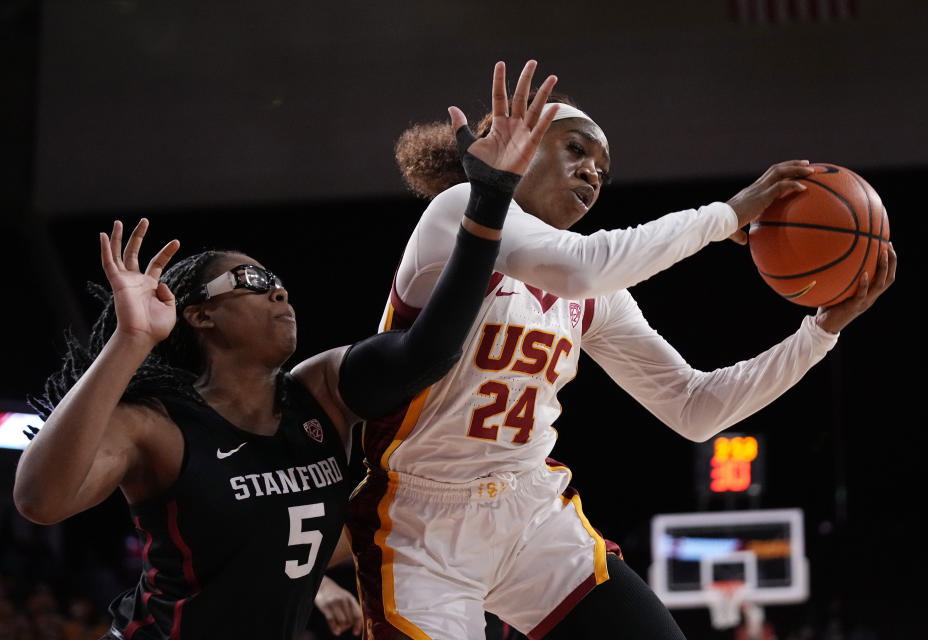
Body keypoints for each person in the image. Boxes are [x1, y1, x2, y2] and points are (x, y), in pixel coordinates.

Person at [12, 59, 561, 640]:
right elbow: (40, 501)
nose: (278, 288)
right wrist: (130, 342)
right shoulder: (157, 427)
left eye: (276, 279)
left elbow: (426, 354)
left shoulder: (318, 391)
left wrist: (489, 199)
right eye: (250, 282)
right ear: (198, 314)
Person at [347, 71, 897, 639]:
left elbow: (694, 407)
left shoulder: (595, 295)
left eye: (603, 172)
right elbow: (585, 264)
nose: (592, 172)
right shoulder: (462, 209)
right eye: (576, 150)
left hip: (530, 511)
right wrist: (726, 215)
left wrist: (819, 333)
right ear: (518, 150)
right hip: (420, 527)